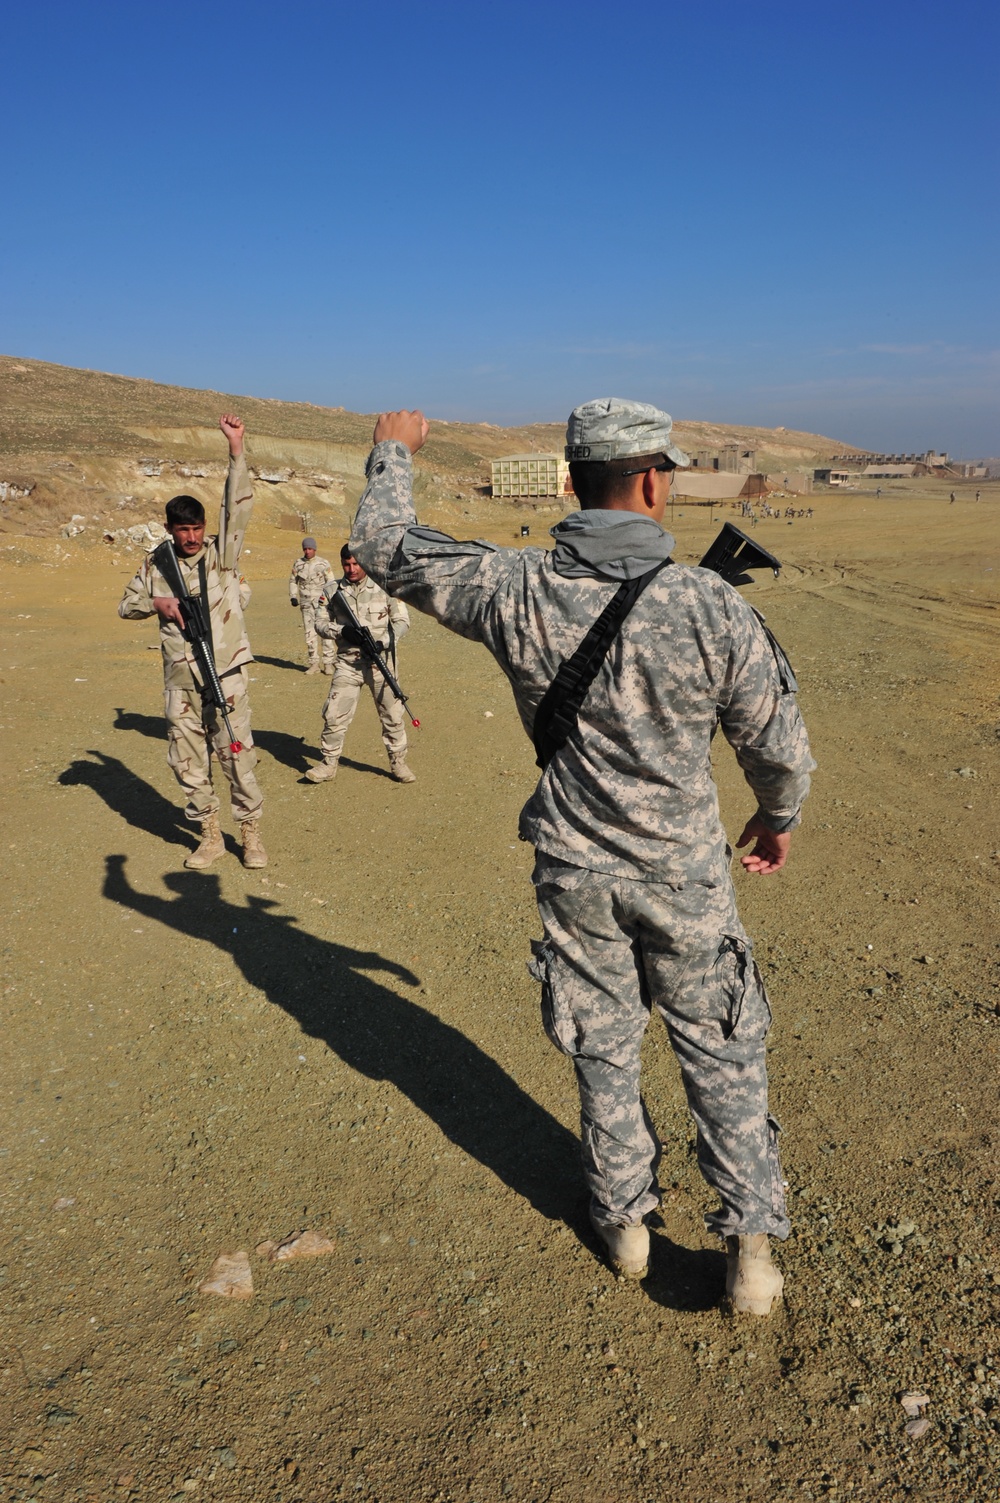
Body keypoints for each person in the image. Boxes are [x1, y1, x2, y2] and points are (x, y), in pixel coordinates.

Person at [348, 399, 815, 1317]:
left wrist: (390, 454)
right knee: (721, 1050)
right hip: (684, 875)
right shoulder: (705, 601)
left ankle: (627, 1227)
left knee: (602, 1048)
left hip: (574, 870)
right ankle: (751, 1253)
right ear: (652, 482)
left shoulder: (512, 587)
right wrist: (777, 815)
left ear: (568, 482)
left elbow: (386, 547)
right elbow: (781, 746)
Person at [118, 415, 266, 870]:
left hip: (225, 674)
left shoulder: (222, 556)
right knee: (187, 761)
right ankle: (208, 835)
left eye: (198, 528)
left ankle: (250, 834)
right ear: (169, 529)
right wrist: (159, 604)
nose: (193, 537)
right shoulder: (155, 565)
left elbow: (236, 505)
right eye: (184, 530)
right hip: (181, 679)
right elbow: (126, 606)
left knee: (237, 756)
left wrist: (236, 448)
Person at [305, 545, 416, 784]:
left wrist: (382, 642)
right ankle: (328, 764)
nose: (351, 569)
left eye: (356, 564)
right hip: (348, 664)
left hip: (380, 663)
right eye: (346, 564)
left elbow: (402, 621)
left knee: (392, 716)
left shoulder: (384, 587)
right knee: (334, 715)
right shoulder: (332, 590)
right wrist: (341, 630)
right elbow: (319, 623)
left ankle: (398, 762)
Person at [289, 537, 336, 674]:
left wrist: (331, 599)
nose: (307, 551)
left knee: (326, 632)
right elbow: (293, 581)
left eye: (310, 548)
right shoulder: (298, 564)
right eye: (305, 549)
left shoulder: (323, 563)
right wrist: (293, 596)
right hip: (306, 604)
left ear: (315, 549)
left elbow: (331, 582)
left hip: (322, 604)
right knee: (309, 634)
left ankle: (328, 663)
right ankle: (314, 664)